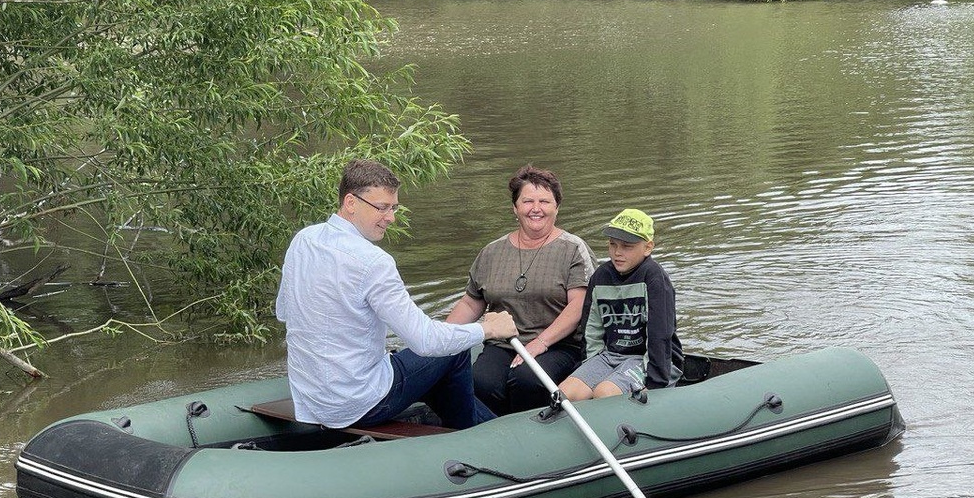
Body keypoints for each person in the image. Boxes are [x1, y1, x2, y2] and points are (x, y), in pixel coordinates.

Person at [276, 158, 518, 430]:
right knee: (455, 351)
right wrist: (488, 328)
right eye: (382, 208)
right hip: (356, 404)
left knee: (427, 359)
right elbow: (426, 341)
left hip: (310, 399)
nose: (391, 217)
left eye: (394, 208)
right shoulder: (373, 262)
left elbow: (284, 312)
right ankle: (473, 437)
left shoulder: (303, 240)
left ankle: (490, 428)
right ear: (351, 203)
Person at [445, 165, 596, 415]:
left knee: (526, 380)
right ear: (515, 208)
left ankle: (537, 428)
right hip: (503, 343)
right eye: (528, 201)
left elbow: (579, 305)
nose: (536, 208)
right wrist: (441, 337)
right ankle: (492, 428)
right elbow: (471, 303)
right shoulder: (492, 252)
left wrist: (540, 343)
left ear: (557, 207)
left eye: (544, 201)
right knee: (481, 382)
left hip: (559, 345)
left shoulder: (573, 249)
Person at [558, 207, 683, 402]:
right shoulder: (600, 277)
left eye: (627, 246)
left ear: (648, 247)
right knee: (565, 392)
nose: (617, 252)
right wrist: (590, 366)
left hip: (650, 359)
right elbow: (591, 330)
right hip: (610, 356)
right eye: (612, 244)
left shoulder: (654, 278)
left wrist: (656, 383)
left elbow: (660, 334)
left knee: (605, 393)